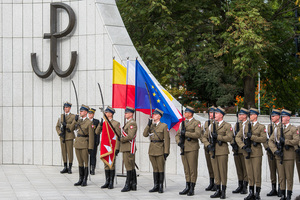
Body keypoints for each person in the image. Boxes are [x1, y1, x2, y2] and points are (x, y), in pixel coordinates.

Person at [202, 106, 233, 199]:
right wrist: (208, 145)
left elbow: (230, 137)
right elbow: (204, 137)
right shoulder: (211, 125)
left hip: (222, 151)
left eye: (217, 113)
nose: (214, 115)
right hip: (213, 151)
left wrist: (218, 137)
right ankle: (218, 189)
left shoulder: (227, 125)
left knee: (222, 171)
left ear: (221, 115)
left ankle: (223, 190)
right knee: (215, 171)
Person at [236, 108, 267, 200]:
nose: (250, 116)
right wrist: (243, 146)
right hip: (247, 152)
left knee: (256, 173)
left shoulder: (261, 127)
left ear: (256, 115)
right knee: (249, 174)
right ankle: (251, 192)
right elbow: (238, 137)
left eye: (251, 115)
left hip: (256, 153)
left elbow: (264, 138)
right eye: (249, 115)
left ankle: (257, 193)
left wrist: (252, 137)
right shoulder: (245, 126)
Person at [269, 109, 299, 200]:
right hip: (279, 155)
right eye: (281, 116)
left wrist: (285, 141)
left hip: (289, 156)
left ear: (288, 118)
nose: (282, 118)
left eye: (284, 116)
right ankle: (282, 194)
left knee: (289, 176)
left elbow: (296, 141)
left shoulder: (293, 129)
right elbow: (270, 141)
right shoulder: (277, 129)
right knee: (281, 176)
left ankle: (289, 194)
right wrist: (275, 151)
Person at [175, 106, 201, 196]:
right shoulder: (182, 123)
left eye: (186, 112)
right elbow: (177, 135)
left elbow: (197, 134)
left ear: (190, 113)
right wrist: (179, 142)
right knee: (186, 169)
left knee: (192, 168)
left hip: (192, 148)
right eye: (185, 112)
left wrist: (186, 133)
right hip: (183, 148)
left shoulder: (196, 123)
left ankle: (192, 188)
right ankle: (187, 185)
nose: (185, 114)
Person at [143, 108, 170, 193]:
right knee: (155, 168)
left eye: (155, 114)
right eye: (153, 114)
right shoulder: (151, 125)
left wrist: (166, 151)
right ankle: (156, 185)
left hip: (160, 149)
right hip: (152, 149)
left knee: (160, 168)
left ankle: (161, 186)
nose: (153, 115)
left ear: (159, 116)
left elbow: (167, 139)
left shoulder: (164, 126)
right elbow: (144, 134)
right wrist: (148, 125)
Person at [96, 106, 121, 189]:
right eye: (105, 112)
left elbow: (118, 136)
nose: (105, 113)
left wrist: (117, 148)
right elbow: (97, 132)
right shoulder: (103, 123)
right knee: (106, 165)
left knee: (111, 165)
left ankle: (111, 182)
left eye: (106, 112)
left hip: (112, 147)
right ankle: (107, 181)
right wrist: (100, 124)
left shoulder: (116, 123)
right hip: (105, 147)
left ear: (111, 114)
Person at [70, 104, 94, 187]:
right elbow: (71, 128)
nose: (80, 112)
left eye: (82, 111)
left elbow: (91, 136)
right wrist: (75, 120)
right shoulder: (79, 121)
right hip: (77, 143)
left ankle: (85, 180)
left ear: (86, 112)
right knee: (80, 162)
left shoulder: (89, 122)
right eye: (80, 111)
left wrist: (90, 147)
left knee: (85, 163)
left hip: (84, 144)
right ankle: (80, 179)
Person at [119, 106, 137, 192]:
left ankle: (128, 184)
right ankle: (133, 184)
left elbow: (130, 136)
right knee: (130, 165)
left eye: (126, 113)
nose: (125, 114)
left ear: (131, 114)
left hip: (128, 147)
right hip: (126, 147)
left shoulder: (132, 123)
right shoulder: (128, 123)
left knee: (129, 166)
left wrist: (121, 139)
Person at [263, 109, 281, 196]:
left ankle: (281, 188)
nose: (272, 117)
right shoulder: (269, 126)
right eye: (271, 116)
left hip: (279, 152)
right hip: (270, 153)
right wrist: (267, 148)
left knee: (280, 171)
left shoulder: (281, 126)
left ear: (278, 117)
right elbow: (266, 139)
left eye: (273, 116)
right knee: (272, 171)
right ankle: (274, 188)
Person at [231, 108, 248, 195]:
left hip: (244, 150)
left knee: (245, 168)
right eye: (239, 114)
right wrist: (232, 143)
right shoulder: (236, 125)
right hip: (236, 150)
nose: (239, 116)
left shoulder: (248, 125)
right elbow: (232, 136)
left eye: (241, 114)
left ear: (245, 116)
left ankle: (245, 186)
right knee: (239, 168)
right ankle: (240, 184)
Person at [55, 102, 75, 174]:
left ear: (69, 108)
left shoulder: (73, 116)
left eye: (67, 107)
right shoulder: (61, 116)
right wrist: (60, 133)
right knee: (64, 152)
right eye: (65, 107)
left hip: (69, 136)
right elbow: (57, 126)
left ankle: (70, 167)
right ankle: (65, 166)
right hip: (62, 136)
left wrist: (67, 125)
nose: (65, 109)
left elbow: (74, 126)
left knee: (70, 152)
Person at [200, 106, 217, 191]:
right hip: (207, 147)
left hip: (215, 147)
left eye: (212, 112)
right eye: (210, 112)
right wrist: (206, 144)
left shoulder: (217, 123)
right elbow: (201, 135)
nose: (211, 114)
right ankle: (211, 182)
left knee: (215, 166)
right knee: (209, 166)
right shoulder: (206, 123)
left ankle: (217, 184)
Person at [88, 108, 100, 175]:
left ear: (93, 114)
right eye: (89, 113)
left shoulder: (96, 121)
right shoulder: (86, 121)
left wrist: (97, 141)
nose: (90, 115)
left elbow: (97, 133)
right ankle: (88, 168)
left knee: (93, 155)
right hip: (87, 141)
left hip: (94, 141)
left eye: (91, 113)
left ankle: (93, 169)